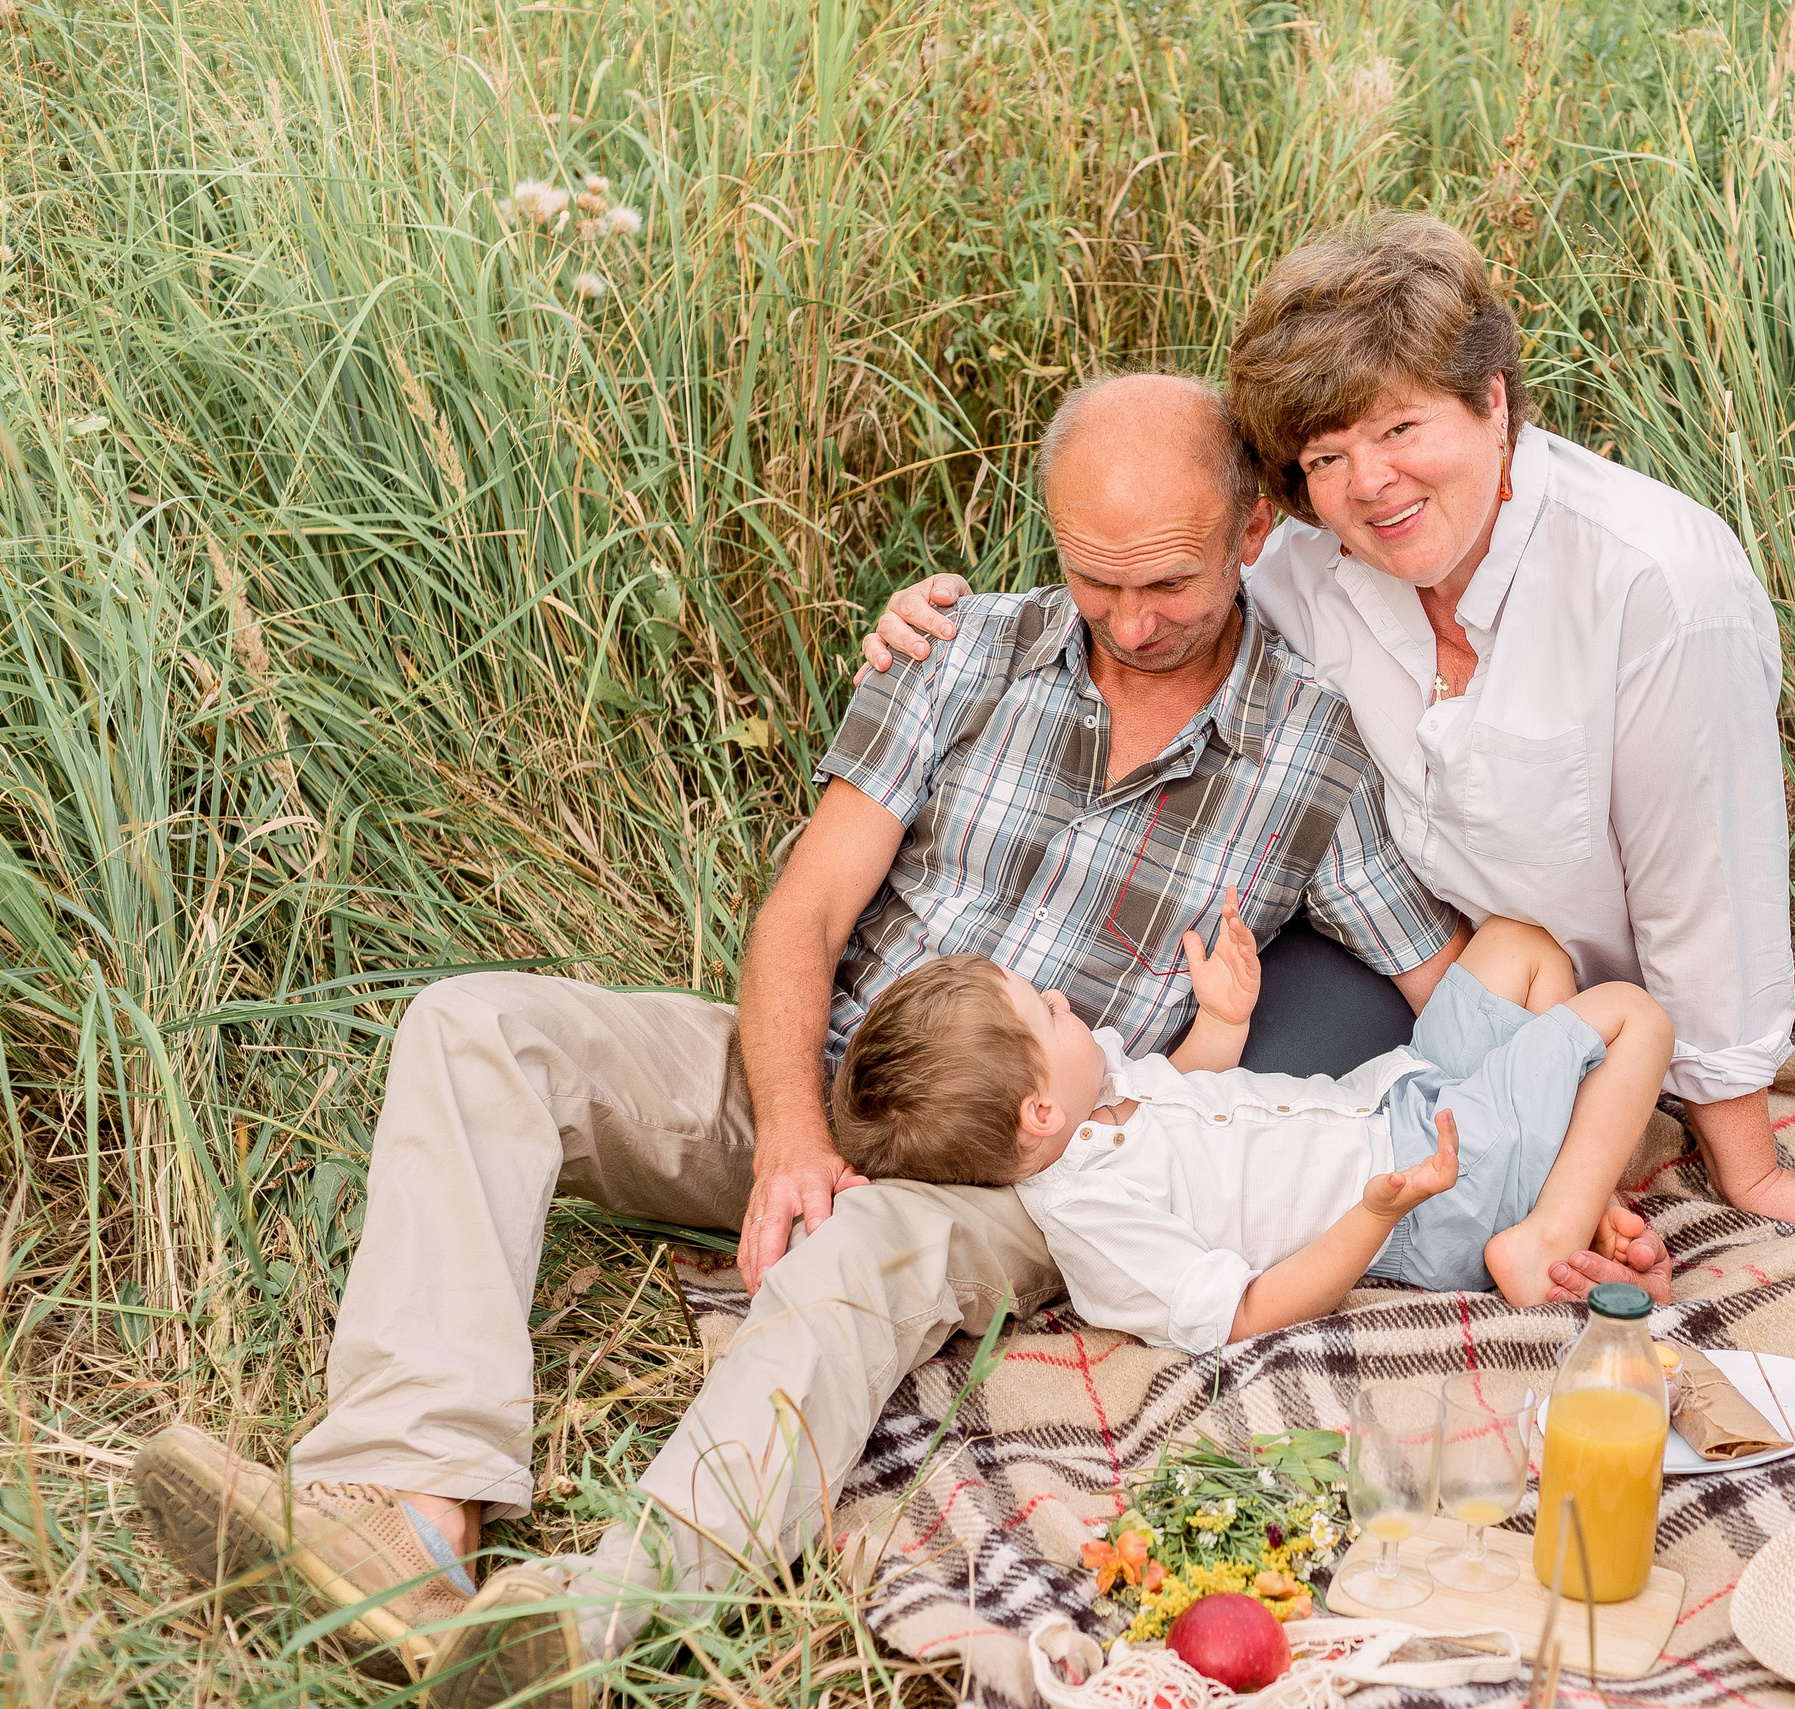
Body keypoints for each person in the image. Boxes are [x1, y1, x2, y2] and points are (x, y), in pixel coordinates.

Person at [131, 374, 1475, 1709]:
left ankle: (590, 1623)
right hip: (835, 1066)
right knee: (479, 1027)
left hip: (1019, 1160)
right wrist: (788, 1128)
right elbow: (808, 911)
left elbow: (1454, 980)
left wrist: (1563, 1125)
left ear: (1252, 530)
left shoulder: (1312, 753)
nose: (1129, 621)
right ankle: (408, 1521)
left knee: (857, 1253)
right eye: (1094, 578)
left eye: (1169, 582)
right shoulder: (961, 651)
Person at [866, 216, 1795, 1236]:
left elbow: (1706, 897)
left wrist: (1746, 1165)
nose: (1370, 484)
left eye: (1400, 428)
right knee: (1236, 1153)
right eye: (1326, 457)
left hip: (1585, 1007)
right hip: (1420, 964)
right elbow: (1153, 589)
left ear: (1493, 404)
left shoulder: (1656, 588)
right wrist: (935, 625)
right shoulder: (1300, 567)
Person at [833, 899, 1675, 1338]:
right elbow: (1245, 1314)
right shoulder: (1097, 1218)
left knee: (1520, 946)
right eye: (1046, 1013)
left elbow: (1190, 1097)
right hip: (1426, 1193)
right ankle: (1545, 1236)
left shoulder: (1101, 1092)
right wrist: (1375, 1213)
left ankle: (1569, 1185)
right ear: (1039, 1111)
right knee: (1633, 1017)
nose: (1060, 997)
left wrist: (1223, 1019)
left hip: (1396, 1095)